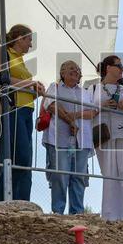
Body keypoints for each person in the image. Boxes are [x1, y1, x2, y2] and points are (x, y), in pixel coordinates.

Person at [0, 24, 45, 203]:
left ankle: (22, 201)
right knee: (21, 156)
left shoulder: (20, 59)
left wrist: (35, 90)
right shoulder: (1, 51)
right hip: (12, 108)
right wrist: (29, 84)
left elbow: (18, 84)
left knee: (25, 161)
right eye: (29, 40)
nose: (30, 45)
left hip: (27, 109)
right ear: (19, 38)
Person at [42, 60, 97, 215]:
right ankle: (58, 212)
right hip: (59, 139)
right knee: (60, 175)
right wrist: (70, 121)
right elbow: (52, 106)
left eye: (77, 69)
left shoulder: (85, 92)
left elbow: (92, 112)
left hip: (82, 140)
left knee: (79, 177)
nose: (75, 71)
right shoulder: (55, 87)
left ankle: (77, 213)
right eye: (71, 68)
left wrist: (74, 116)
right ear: (62, 72)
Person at [91, 54, 123, 221]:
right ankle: (110, 216)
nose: (122, 69)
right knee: (110, 176)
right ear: (108, 68)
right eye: (119, 66)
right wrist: (102, 106)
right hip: (105, 135)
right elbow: (86, 110)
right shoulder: (92, 89)